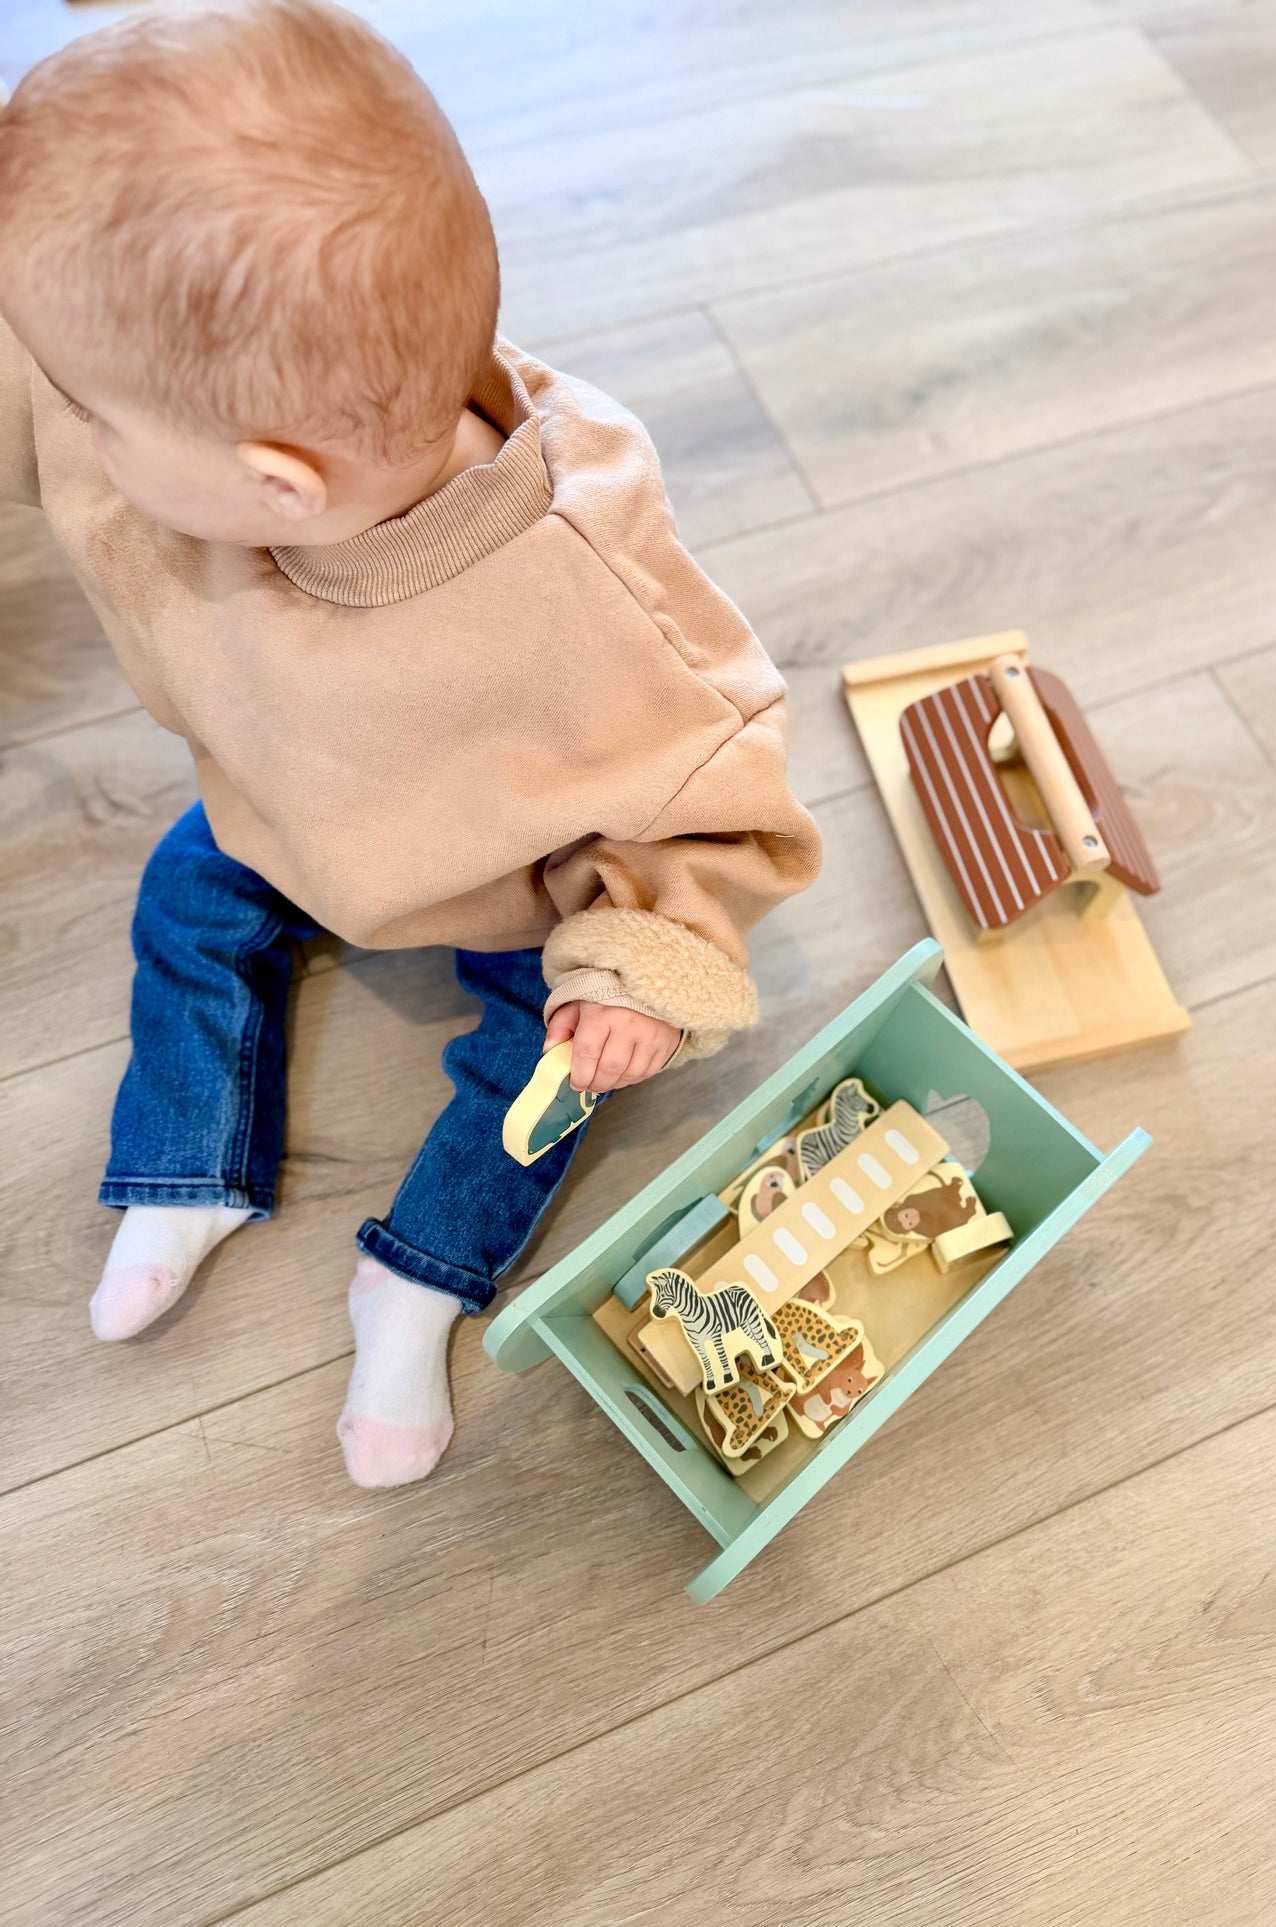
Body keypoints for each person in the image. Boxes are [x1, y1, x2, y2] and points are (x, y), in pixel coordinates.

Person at [0, 0, 820, 1486]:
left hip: (509, 880)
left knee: (560, 1059)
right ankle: (189, 1162)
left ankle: (422, 1278)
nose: (77, 443)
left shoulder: (581, 596)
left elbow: (714, 793)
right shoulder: (160, 400)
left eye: (98, 429)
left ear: (274, 483)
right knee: (190, 906)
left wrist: (633, 969)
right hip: (276, 808)